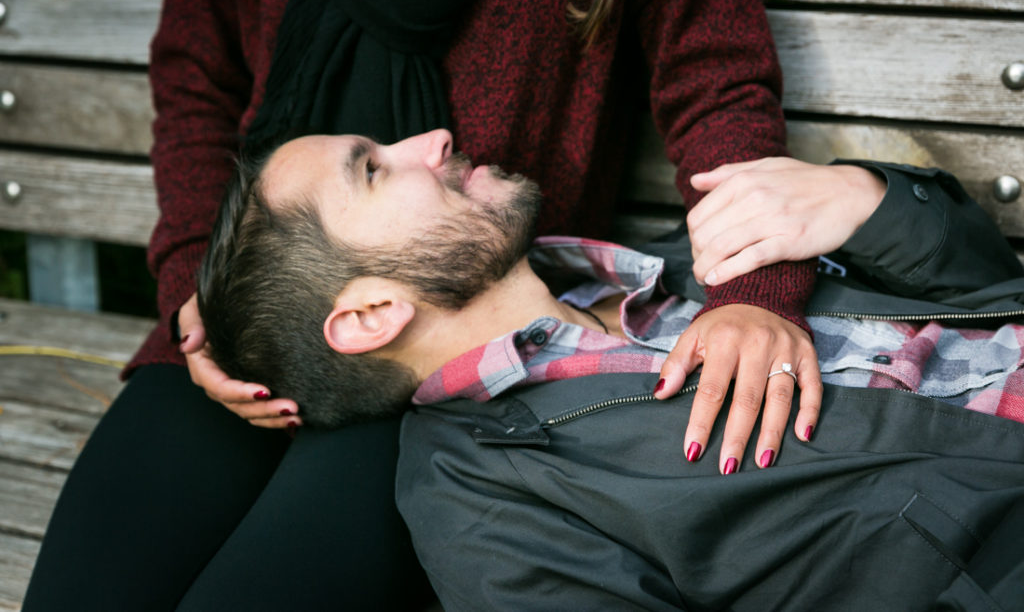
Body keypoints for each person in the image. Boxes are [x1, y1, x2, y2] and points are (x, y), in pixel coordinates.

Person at [20, 0, 909, 608]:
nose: (438, 144)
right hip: (253, 311)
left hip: (459, 352)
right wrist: (194, 293)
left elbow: (714, 84)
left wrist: (753, 297)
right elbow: (195, 81)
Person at [197, 129, 1024, 609]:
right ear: (373, 315)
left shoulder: (696, 256)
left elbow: (988, 287)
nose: (434, 140)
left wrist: (862, 197)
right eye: (374, 169)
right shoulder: (488, 513)